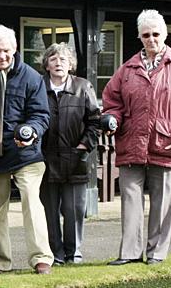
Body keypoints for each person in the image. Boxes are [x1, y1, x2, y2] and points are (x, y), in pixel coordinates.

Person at [103, 9, 171, 266]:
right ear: (139, 37)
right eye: (146, 35)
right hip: (131, 144)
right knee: (130, 202)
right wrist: (113, 120)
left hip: (168, 145)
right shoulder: (127, 69)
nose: (151, 39)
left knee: (163, 204)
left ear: (164, 34)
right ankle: (130, 253)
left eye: (155, 34)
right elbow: (112, 101)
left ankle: (156, 254)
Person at [0, 23, 54, 275]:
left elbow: (40, 114)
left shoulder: (31, 77)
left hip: (26, 154)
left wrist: (31, 131)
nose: (2, 56)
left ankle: (41, 259)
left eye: (7, 51)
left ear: (15, 49)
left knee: (31, 201)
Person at [39, 43, 100, 265]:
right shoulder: (38, 86)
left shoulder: (83, 87)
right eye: (53, 59)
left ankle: (73, 253)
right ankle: (55, 254)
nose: (58, 63)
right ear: (46, 64)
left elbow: (94, 121)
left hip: (76, 159)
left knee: (73, 210)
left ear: (71, 64)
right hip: (45, 160)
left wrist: (84, 146)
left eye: (63, 59)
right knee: (50, 212)